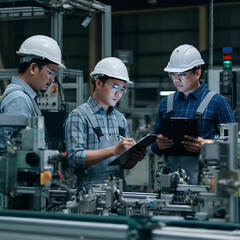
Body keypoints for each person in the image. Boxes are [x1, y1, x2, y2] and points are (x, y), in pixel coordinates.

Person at [151, 44, 235, 184]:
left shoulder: (217, 103)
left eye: (182, 74)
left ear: (197, 73)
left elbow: (233, 148)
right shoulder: (166, 103)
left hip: (206, 184)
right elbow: (154, 143)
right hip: (171, 183)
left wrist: (207, 146)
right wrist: (159, 145)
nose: (176, 79)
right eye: (173, 74)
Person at [65, 57, 146, 190]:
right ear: (98, 83)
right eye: (115, 86)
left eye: (122, 88)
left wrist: (134, 158)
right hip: (89, 192)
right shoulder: (79, 116)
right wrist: (114, 150)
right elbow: (74, 157)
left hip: (119, 191)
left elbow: (125, 165)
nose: (119, 93)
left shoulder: (120, 119)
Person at [0, 35, 65, 145]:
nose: (53, 79)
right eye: (50, 72)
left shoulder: (25, 97)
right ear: (33, 68)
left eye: (55, 74)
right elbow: (16, 150)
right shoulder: (19, 99)